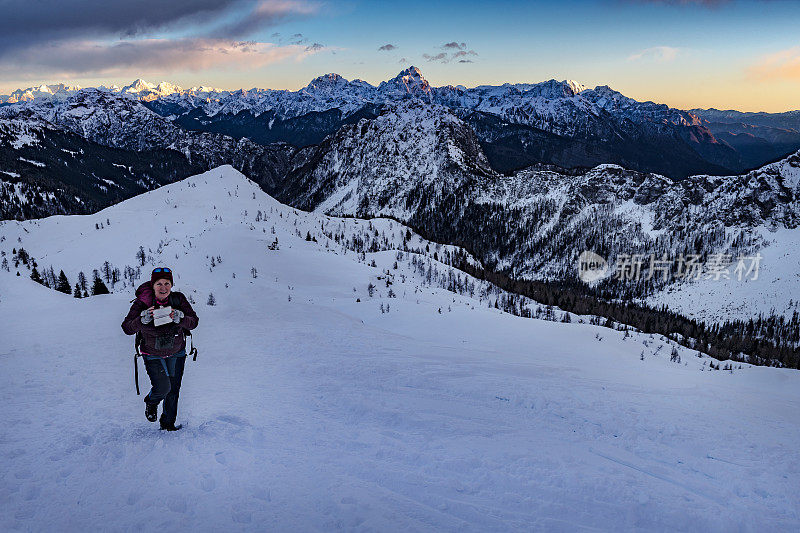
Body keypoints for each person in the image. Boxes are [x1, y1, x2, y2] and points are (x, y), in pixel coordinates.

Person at [122, 267, 198, 431]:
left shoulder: (178, 299)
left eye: (167, 283)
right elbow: (127, 327)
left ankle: (168, 424)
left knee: (173, 390)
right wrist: (142, 319)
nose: (163, 287)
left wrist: (181, 318)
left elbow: (194, 321)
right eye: (159, 283)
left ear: (171, 284)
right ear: (152, 285)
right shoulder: (142, 303)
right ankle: (151, 401)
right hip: (152, 353)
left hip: (177, 352)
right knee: (164, 388)